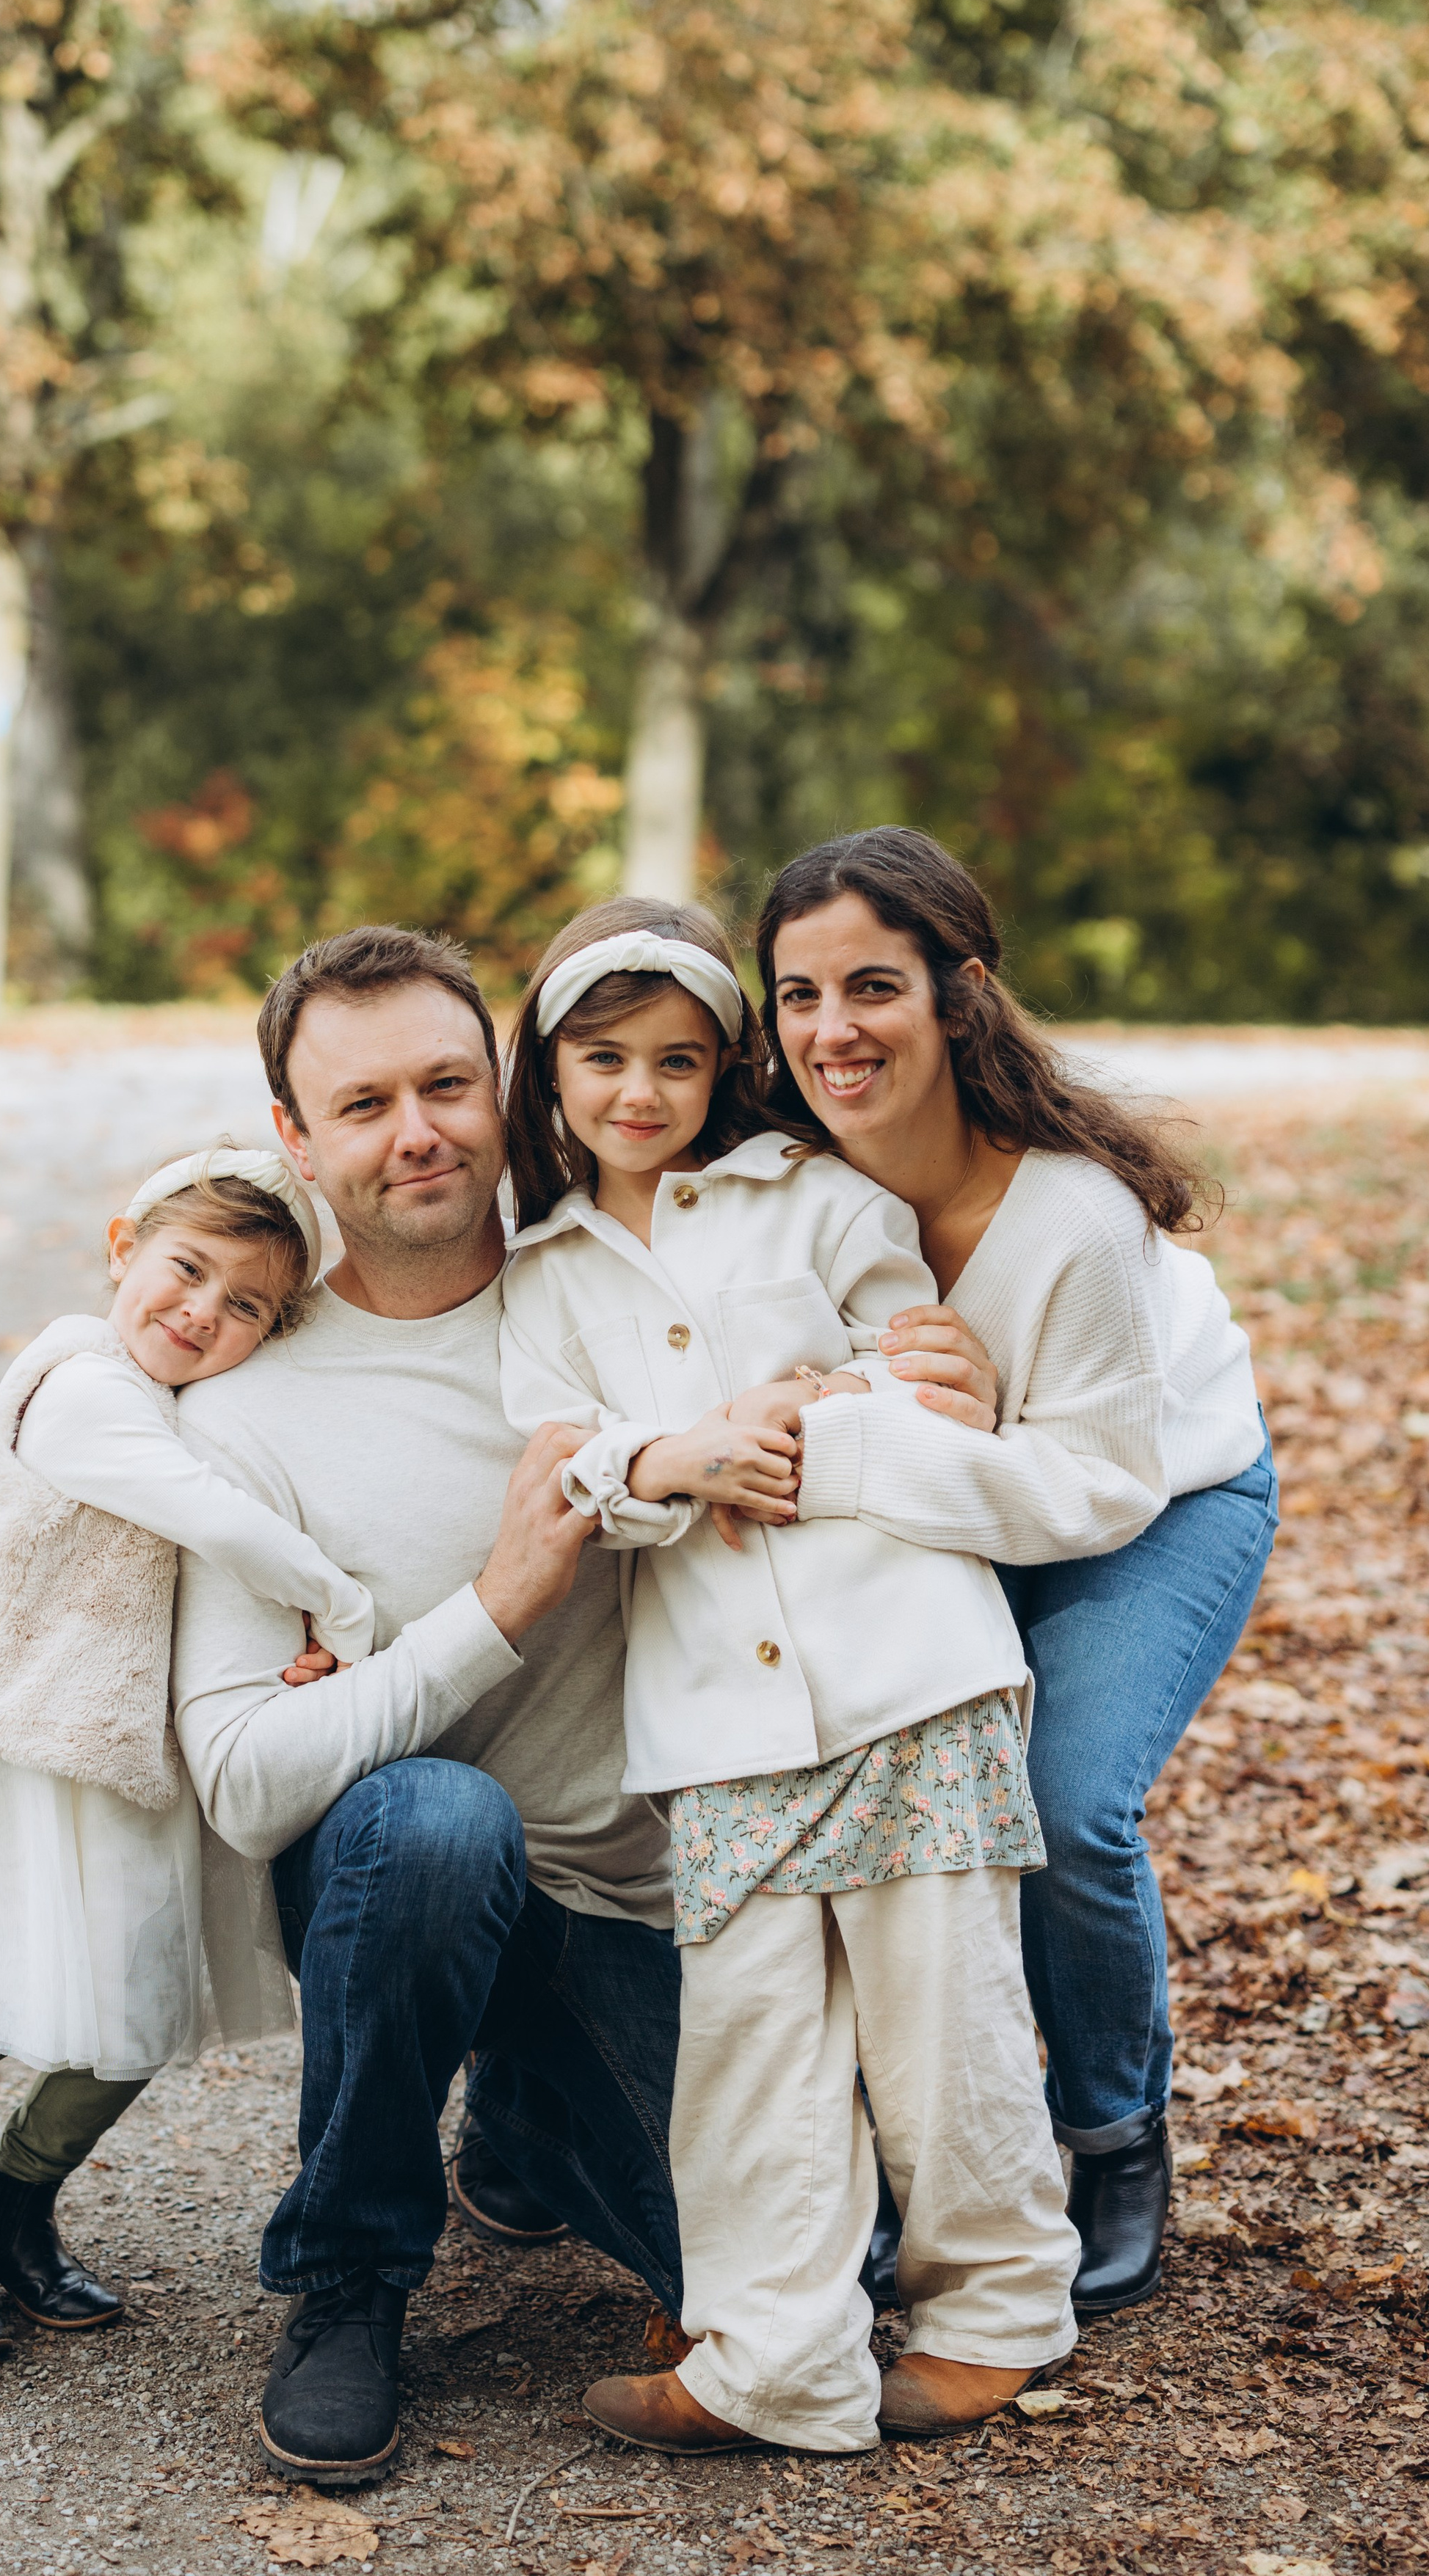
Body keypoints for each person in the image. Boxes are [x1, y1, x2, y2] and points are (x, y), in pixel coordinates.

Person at [493, 897, 1078, 2455]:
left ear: (721, 1069)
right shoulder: (536, 1276)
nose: (637, 1092)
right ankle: (775, 2352)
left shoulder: (807, 1198)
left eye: (676, 1061)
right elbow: (561, 1472)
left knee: (936, 2018)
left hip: (901, 1669)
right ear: (547, 1070)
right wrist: (673, 1453)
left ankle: (997, 2313)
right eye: (602, 1058)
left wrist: (811, 1400)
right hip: (714, 1715)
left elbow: (924, 1366)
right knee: (752, 2044)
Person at [167, 926, 683, 2489]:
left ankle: (522, 2122)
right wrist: (493, 1609)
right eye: (365, 1101)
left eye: (450, 1083)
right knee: (436, 1820)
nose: (419, 1133)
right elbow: (247, 1785)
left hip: (640, 1895)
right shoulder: (245, 1402)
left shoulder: (617, 1295)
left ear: (503, 1087)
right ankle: (350, 2271)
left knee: (815, 2292)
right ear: (295, 1138)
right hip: (404, 1871)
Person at [752, 828, 1276, 2319]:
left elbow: (1094, 1483)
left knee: (1059, 1799)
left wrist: (859, 1448)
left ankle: (1111, 2133)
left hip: (1155, 1499)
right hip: (972, 1500)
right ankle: (868, 2153)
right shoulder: (783, 1179)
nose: (829, 1031)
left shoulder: (1070, 1220)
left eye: (870, 986)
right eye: (795, 995)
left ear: (957, 991)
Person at [0, 1147, 375, 2365]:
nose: (203, 1310)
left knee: (142, 2004)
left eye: (247, 1304)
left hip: (128, 1755)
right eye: (187, 1269)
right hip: (9, 1739)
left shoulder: (197, 1407)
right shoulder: (77, 1380)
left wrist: (281, 1651)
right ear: (123, 1248)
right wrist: (340, 1608)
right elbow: (208, 1513)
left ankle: (13, 2203)